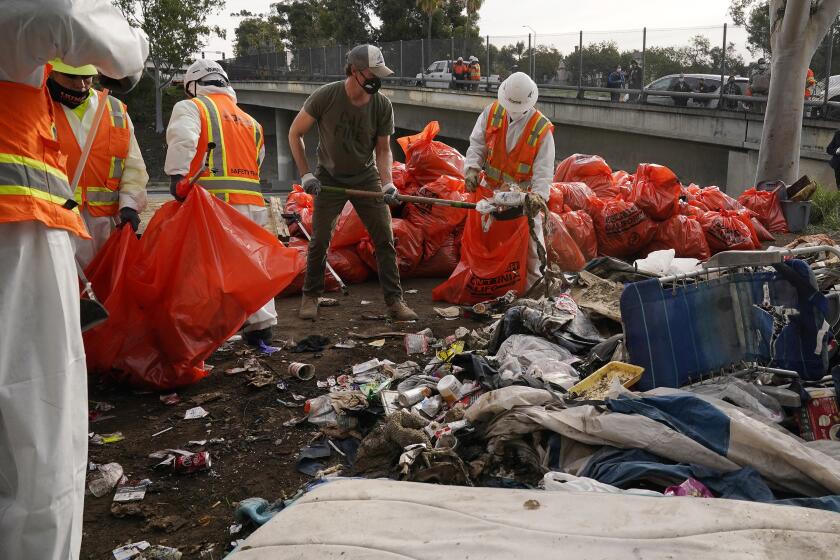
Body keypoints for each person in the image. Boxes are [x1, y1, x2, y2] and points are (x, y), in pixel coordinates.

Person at [0, 3, 147, 560]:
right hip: (24, 226)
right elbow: (83, 25)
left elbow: (131, 165)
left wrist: (131, 207)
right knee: (37, 413)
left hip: (84, 220)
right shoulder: (36, 54)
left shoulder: (112, 113)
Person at [289, 44, 418, 321]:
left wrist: (386, 184)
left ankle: (395, 301)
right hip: (329, 178)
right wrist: (306, 175)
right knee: (320, 239)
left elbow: (383, 149)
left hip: (366, 177)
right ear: (355, 71)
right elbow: (295, 132)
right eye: (372, 73)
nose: (376, 79)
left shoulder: (382, 104)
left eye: (379, 74)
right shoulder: (326, 97)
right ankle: (311, 295)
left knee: (384, 238)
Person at [164, 59, 277, 347]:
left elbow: (183, 140)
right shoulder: (250, 120)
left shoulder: (192, 107)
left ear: (193, 84)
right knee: (253, 264)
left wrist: (177, 175)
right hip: (252, 203)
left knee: (206, 269)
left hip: (214, 204)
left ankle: (206, 331)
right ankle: (262, 327)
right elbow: (258, 160)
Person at [459, 71, 555, 292]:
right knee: (480, 240)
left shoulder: (541, 129)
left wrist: (538, 198)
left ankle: (535, 289)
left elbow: (544, 172)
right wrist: (472, 169)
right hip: (489, 190)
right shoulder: (492, 112)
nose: (512, 111)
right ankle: (480, 284)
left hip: (522, 196)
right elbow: (477, 145)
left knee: (533, 246)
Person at [50, 59, 149, 268]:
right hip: (55, 222)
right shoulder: (39, 106)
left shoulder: (115, 109)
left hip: (105, 225)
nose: (81, 85)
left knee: (103, 289)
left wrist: (130, 205)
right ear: (52, 73)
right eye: (71, 77)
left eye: (86, 77)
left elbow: (133, 165)